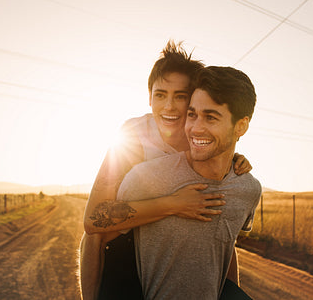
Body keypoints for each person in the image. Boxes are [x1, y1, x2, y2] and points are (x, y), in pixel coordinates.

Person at [80, 41, 251, 299]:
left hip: (181, 247)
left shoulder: (200, 135)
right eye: (160, 95)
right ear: (149, 97)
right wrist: (173, 204)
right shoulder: (133, 137)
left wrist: (233, 159)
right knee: (95, 239)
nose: (169, 106)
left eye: (180, 96)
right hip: (124, 244)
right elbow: (94, 219)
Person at [116, 66, 262, 299]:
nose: (195, 128)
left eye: (211, 117)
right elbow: (99, 235)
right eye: (192, 114)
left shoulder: (248, 189)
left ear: (241, 126)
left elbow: (225, 249)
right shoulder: (145, 177)